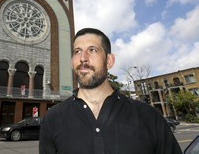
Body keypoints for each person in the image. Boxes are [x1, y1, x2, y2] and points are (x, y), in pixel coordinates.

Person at [39, 28, 182, 154]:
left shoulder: (149, 117)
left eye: (92, 50)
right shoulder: (53, 118)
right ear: (72, 63)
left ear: (109, 61)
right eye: (77, 52)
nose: (83, 58)